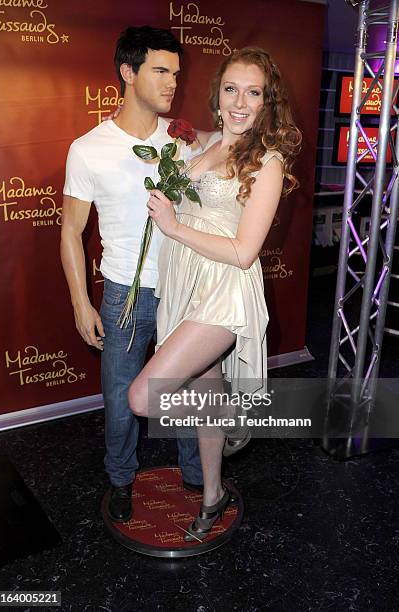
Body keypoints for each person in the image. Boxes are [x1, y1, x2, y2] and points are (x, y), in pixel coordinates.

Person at [127, 47, 301, 541]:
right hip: (187, 280)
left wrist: (175, 226)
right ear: (217, 94)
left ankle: (232, 418)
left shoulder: (266, 161)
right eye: (231, 89)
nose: (240, 102)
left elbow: (246, 253)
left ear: (268, 101)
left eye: (253, 92)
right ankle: (212, 495)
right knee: (203, 385)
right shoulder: (199, 143)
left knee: (142, 398)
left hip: (225, 290)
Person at [60, 26, 205, 524]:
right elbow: (71, 230)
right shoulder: (88, 148)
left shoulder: (183, 142)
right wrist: (82, 302)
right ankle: (121, 478)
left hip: (184, 289)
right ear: (129, 72)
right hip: (125, 294)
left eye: (175, 74)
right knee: (121, 400)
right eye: (161, 71)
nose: (172, 83)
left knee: (187, 389)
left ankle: (195, 474)